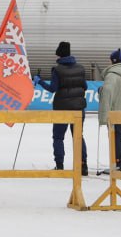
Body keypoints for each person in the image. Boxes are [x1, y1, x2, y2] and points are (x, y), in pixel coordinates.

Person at [36, 41, 88, 174]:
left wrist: (39, 81)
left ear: (59, 55)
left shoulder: (57, 70)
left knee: (58, 137)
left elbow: (53, 89)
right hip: (78, 108)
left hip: (62, 109)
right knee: (78, 136)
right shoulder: (81, 68)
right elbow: (85, 86)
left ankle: (60, 165)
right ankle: (83, 165)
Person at [98, 49, 121, 174]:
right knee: (120, 137)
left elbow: (107, 92)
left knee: (115, 137)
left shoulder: (111, 75)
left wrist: (101, 91)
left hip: (114, 112)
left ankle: (118, 163)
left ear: (112, 61)